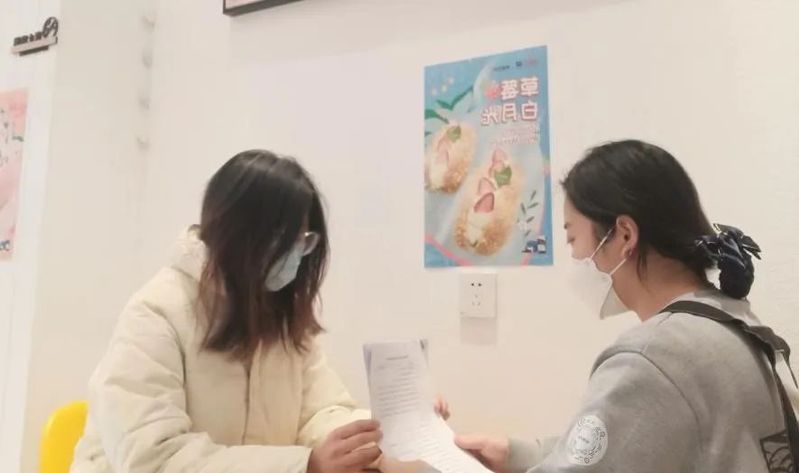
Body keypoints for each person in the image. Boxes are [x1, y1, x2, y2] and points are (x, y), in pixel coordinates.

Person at [384, 140, 798, 473]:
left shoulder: (655, 357)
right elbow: (622, 442)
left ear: (624, 235)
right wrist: (515, 453)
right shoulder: (730, 320)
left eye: (572, 238)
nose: (576, 258)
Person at [71, 150, 449, 473]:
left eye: (304, 241)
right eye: (285, 240)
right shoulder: (156, 314)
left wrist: (388, 427)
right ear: (236, 232)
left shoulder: (280, 316)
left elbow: (320, 412)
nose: (296, 256)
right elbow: (155, 459)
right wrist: (304, 465)